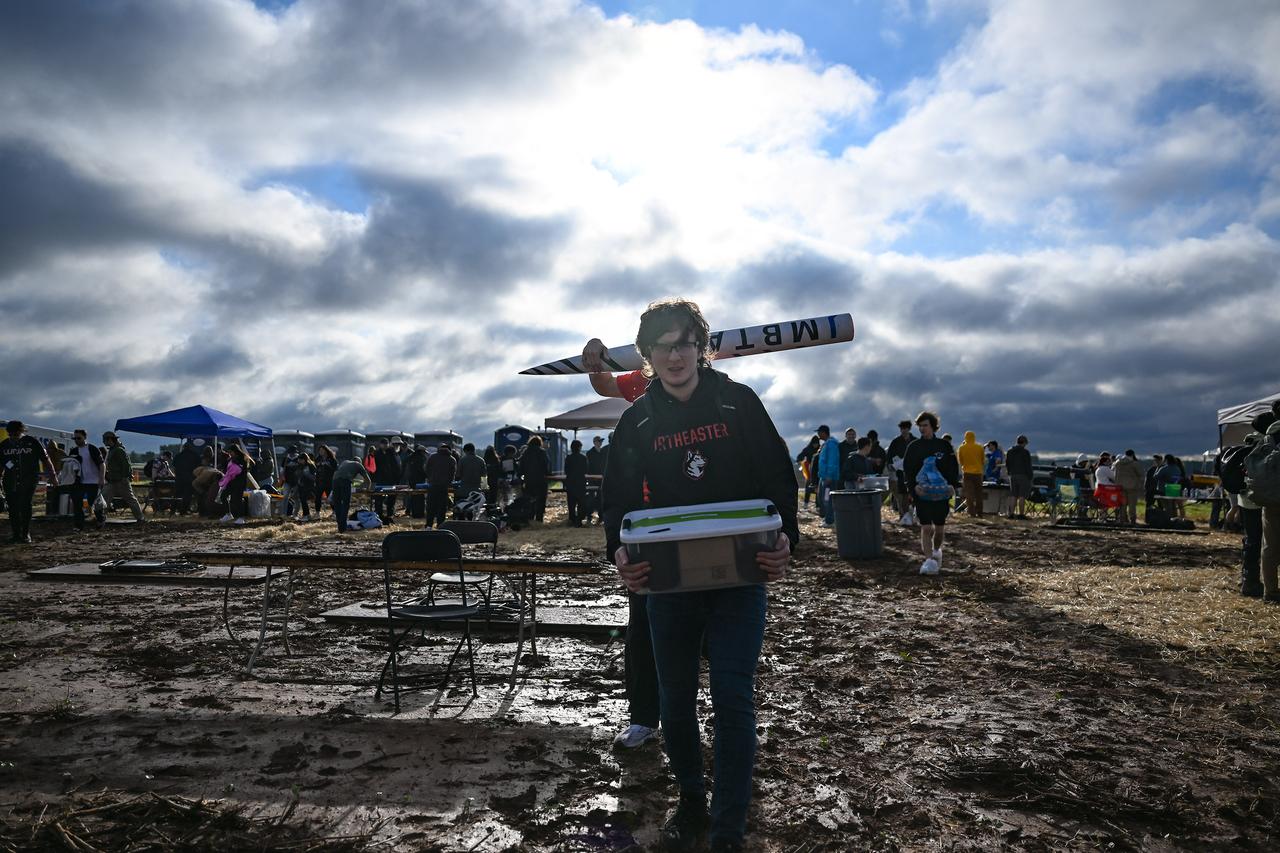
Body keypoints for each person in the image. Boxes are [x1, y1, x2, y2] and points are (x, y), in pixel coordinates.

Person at [603, 298, 796, 852]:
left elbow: (779, 479)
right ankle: (691, 803)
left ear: (701, 346)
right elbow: (616, 498)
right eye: (662, 345)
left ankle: (729, 827)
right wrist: (618, 550)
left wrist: (787, 541)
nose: (675, 354)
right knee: (676, 697)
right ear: (646, 356)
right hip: (669, 583)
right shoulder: (637, 420)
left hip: (740, 577)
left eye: (684, 341)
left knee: (734, 696)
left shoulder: (737, 403)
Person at [903, 412, 960, 575]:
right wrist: (913, 488)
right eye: (920, 426)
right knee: (926, 527)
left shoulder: (944, 446)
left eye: (925, 425)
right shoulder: (913, 447)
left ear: (933, 426)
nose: (922, 429)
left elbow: (953, 468)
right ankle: (928, 561)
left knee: (939, 529)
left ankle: (936, 551)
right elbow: (908, 471)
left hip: (941, 494)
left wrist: (952, 486)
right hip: (922, 494)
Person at [1, 421, 57, 544]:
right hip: (10, 481)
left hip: (29, 479)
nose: (13, 437)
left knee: (25, 504)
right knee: (13, 508)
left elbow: (46, 460)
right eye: (11, 434)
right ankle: (16, 534)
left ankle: (25, 533)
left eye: (16, 434)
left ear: (22, 431)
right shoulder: (4, 445)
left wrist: (53, 476)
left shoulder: (32, 442)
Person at [583, 338, 652, 402]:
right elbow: (605, 385)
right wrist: (595, 353)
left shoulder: (651, 376)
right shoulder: (649, 378)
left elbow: (606, 386)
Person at [100, 432, 145, 523]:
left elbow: (126, 465)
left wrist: (125, 478)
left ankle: (140, 518)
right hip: (112, 480)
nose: (103, 442)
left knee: (130, 499)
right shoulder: (114, 450)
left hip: (120, 480)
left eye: (105, 439)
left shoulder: (118, 450)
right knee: (104, 499)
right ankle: (100, 518)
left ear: (110, 439)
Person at [68, 429, 104, 530]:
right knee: (77, 503)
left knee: (92, 503)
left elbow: (102, 464)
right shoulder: (73, 451)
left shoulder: (92, 449)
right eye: (74, 438)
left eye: (79, 438)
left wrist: (101, 478)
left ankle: (101, 519)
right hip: (79, 482)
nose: (76, 440)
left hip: (93, 481)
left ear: (85, 437)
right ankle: (78, 525)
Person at [330, 455, 372, 533]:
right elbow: (368, 480)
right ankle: (343, 528)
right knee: (345, 504)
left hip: (335, 481)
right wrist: (368, 490)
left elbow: (339, 473)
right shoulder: (359, 465)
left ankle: (340, 527)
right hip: (345, 481)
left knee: (337, 504)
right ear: (360, 462)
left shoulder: (345, 462)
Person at [886, 420, 915, 518]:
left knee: (910, 491)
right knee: (901, 491)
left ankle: (910, 514)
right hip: (898, 471)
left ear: (909, 429)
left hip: (912, 471)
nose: (903, 430)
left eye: (905, 428)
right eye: (902, 429)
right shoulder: (895, 441)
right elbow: (889, 455)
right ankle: (903, 514)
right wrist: (890, 464)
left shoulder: (915, 440)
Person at [217, 445, 251, 524]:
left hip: (240, 482)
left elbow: (243, 470)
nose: (230, 454)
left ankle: (241, 518)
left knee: (237, 500)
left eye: (231, 452)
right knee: (223, 496)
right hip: (231, 482)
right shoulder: (231, 459)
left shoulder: (243, 458)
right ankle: (228, 514)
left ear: (235, 451)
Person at [425, 442, 457, 528]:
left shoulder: (432, 457)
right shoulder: (452, 459)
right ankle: (440, 526)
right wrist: (449, 482)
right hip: (444, 487)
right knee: (442, 508)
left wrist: (430, 478)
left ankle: (429, 525)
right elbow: (452, 474)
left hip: (432, 485)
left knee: (431, 506)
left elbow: (426, 469)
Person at [816, 426, 843, 527]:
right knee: (824, 498)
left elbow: (832, 461)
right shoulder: (826, 444)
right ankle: (828, 518)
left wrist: (829, 475)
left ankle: (830, 521)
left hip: (829, 478)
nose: (818, 435)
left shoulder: (831, 444)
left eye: (819, 432)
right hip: (824, 476)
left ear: (824, 433)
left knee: (828, 499)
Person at [520, 435, 550, 523]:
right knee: (541, 500)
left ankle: (530, 518)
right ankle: (539, 519)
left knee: (530, 500)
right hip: (541, 480)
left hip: (529, 480)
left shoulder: (526, 453)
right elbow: (546, 465)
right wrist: (548, 473)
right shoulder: (542, 452)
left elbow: (521, 467)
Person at [371, 438, 402, 523]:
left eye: (386, 444)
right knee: (378, 499)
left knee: (391, 498)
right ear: (380, 444)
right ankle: (379, 515)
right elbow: (372, 467)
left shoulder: (392, 453)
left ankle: (390, 515)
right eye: (383, 444)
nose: (385, 445)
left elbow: (396, 466)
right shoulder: (376, 454)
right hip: (379, 480)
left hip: (390, 480)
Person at [956, 431, 985, 518]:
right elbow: (983, 460)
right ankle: (980, 513)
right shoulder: (979, 447)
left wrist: (965, 466)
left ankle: (971, 513)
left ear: (965, 437)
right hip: (978, 473)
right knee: (979, 494)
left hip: (967, 473)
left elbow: (960, 461)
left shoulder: (961, 448)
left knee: (969, 494)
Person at [1112, 449, 1145, 525]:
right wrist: (1139, 485)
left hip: (1120, 487)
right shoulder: (1134, 464)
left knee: (1122, 505)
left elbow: (1115, 475)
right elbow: (1141, 475)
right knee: (1132, 505)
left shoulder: (1118, 463)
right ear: (1133, 454)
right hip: (1132, 487)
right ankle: (1132, 521)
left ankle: (1122, 520)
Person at [1005, 435, 1033, 519]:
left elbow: (1007, 463)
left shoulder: (1010, 451)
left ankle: (1011, 514)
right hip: (1023, 475)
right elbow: (1028, 465)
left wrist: (1009, 472)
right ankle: (1021, 514)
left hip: (1013, 475)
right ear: (1024, 443)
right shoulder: (1025, 452)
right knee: (1022, 495)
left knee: (1013, 495)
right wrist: (1030, 476)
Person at [563, 439, 589, 526]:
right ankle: (579, 520)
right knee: (581, 503)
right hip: (580, 483)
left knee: (571, 503)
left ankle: (572, 519)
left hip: (570, 483)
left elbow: (566, 471)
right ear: (579, 448)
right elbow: (586, 470)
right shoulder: (583, 458)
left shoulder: (568, 458)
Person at [173, 440, 201, 515]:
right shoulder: (195, 455)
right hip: (190, 478)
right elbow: (198, 467)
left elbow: (174, 465)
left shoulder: (178, 455)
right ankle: (184, 511)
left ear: (184, 448)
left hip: (179, 478)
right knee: (187, 495)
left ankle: (173, 510)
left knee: (177, 494)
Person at [585, 435, 608, 523]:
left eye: (601, 441)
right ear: (594, 442)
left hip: (600, 478)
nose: (600, 443)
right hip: (592, 478)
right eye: (599, 441)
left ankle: (600, 517)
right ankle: (589, 516)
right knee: (591, 498)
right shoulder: (589, 453)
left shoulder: (602, 452)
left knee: (600, 498)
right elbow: (589, 467)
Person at [795, 435, 821, 510]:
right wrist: (800, 462)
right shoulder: (807, 449)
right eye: (814, 443)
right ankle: (806, 503)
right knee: (808, 488)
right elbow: (799, 457)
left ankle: (818, 505)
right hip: (809, 471)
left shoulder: (820, 448)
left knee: (817, 489)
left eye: (816, 443)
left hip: (818, 470)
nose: (815, 445)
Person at [313, 444, 338, 517]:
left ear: (326, 451)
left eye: (322, 450)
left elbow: (335, 469)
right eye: (320, 450)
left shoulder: (332, 459)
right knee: (317, 497)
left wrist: (327, 465)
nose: (321, 452)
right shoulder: (317, 459)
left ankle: (334, 512)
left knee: (330, 497)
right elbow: (315, 468)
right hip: (319, 481)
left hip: (329, 481)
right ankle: (317, 513)